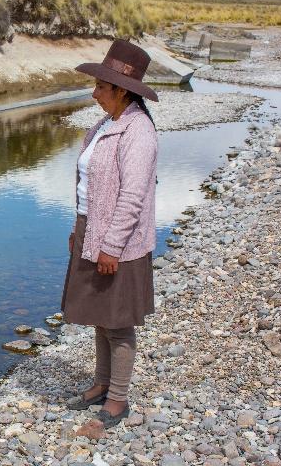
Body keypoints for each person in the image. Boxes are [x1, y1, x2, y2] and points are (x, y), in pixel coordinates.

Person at [61, 39, 159, 428]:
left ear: (122, 90)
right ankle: (101, 384)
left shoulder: (138, 132)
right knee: (101, 316)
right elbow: (91, 187)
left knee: (118, 322)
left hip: (119, 242)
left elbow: (132, 197)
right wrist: (79, 231)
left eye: (102, 86)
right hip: (92, 230)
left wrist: (111, 247)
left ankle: (118, 399)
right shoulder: (108, 124)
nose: (95, 91)